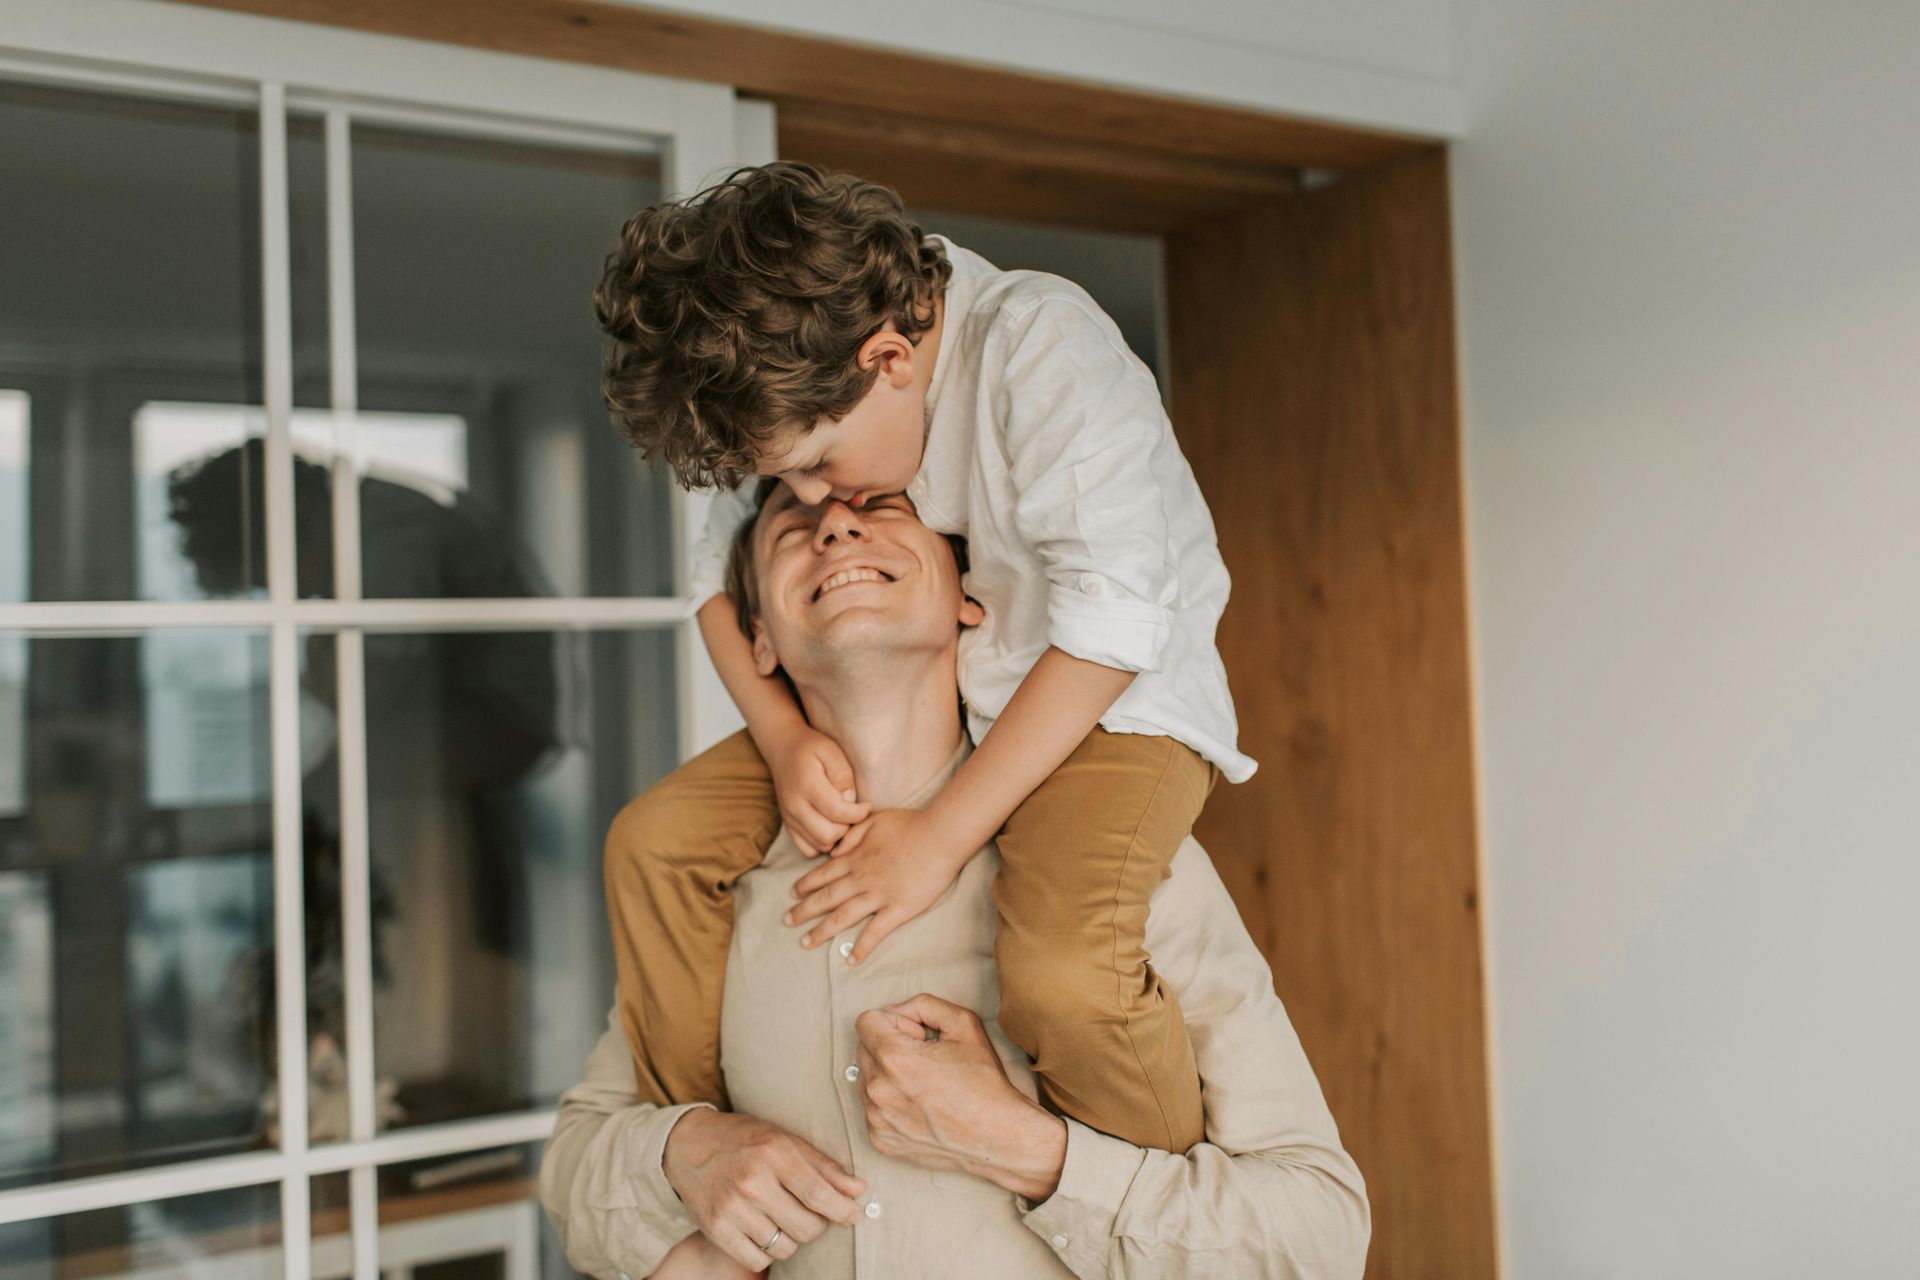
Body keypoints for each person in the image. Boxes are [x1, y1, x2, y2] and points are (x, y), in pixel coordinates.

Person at [593, 162, 1255, 1154]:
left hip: (1115, 708)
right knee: (654, 843)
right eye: (783, 482)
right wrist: (778, 738)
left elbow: (1117, 629)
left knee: (1067, 969)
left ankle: (1136, 1209)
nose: (814, 503)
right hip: (948, 694)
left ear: (891, 357)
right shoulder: (790, 384)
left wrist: (938, 836)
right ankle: (710, 1152)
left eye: (815, 464)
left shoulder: (1043, 351)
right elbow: (707, 588)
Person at [539, 485, 1367, 1278]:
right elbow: (573, 1168)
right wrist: (688, 1153)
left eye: (883, 507)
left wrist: (1019, 1145)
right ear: (758, 639)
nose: (834, 527)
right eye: (792, 523)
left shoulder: (1113, 871)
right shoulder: (710, 895)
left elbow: (1322, 1236)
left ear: (971, 598)